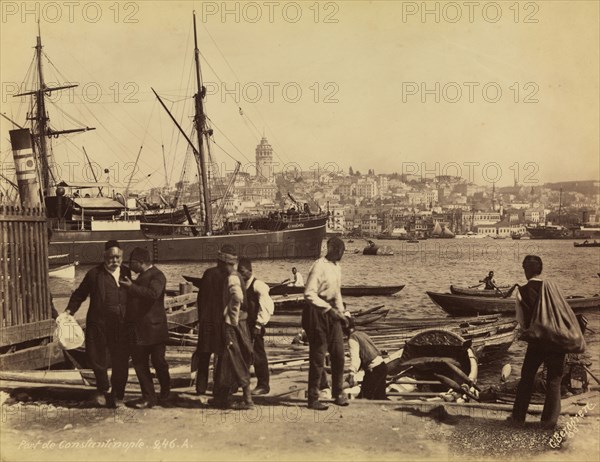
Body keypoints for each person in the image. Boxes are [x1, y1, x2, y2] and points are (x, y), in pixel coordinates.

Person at [65, 240, 131, 408]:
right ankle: (106, 389)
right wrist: (69, 311)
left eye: (118, 257)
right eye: (111, 257)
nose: (114, 261)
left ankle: (118, 395)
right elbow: (80, 294)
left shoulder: (126, 272)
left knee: (121, 360)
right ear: (104, 257)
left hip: (121, 325)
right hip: (98, 324)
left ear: (122, 257)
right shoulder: (94, 274)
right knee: (96, 359)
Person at [510, 255, 566, 429]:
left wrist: (526, 331)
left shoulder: (522, 290)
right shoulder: (552, 287)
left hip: (537, 342)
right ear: (540, 269)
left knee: (527, 378)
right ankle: (549, 423)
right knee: (554, 381)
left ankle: (518, 418)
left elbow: (521, 321)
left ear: (526, 270)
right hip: (557, 341)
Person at [303, 236, 349, 411]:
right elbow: (309, 294)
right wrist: (328, 309)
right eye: (340, 252)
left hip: (331, 312)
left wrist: (342, 314)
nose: (341, 255)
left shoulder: (337, 267)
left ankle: (338, 393)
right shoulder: (318, 266)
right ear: (332, 250)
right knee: (318, 358)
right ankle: (313, 397)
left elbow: (337, 292)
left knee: (338, 355)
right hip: (316, 312)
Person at [121, 247, 170, 409]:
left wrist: (131, 287)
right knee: (140, 364)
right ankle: (149, 396)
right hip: (141, 330)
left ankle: (165, 393)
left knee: (159, 362)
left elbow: (153, 294)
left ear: (141, 263)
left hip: (154, 330)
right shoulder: (141, 276)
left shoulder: (158, 276)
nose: (129, 265)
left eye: (132, 262)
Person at [211, 246, 254, 409]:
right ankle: (222, 396)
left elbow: (237, 297)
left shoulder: (232, 278)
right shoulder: (238, 276)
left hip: (233, 325)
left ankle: (247, 399)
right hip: (240, 323)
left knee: (235, 357)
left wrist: (231, 318)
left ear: (223, 263)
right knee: (230, 358)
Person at [237, 258, 275, 395]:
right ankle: (239, 382)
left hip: (255, 326)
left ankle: (263, 385)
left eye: (242, 272)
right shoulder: (242, 285)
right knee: (242, 353)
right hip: (244, 325)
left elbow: (267, 306)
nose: (240, 275)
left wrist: (259, 324)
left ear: (250, 271)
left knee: (258, 355)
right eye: (238, 272)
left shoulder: (258, 285)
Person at [194, 254, 228, 395]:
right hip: (221, 321)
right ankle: (218, 387)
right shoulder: (229, 276)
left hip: (206, 321)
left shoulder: (208, 273)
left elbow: (200, 298)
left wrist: (201, 317)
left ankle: (200, 387)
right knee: (221, 356)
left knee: (204, 355)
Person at [344, 316, 388, 400]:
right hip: (382, 366)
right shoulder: (361, 334)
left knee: (366, 397)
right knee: (380, 397)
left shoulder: (352, 338)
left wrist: (351, 373)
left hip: (374, 370)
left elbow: (355, 358)